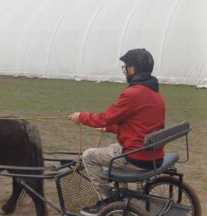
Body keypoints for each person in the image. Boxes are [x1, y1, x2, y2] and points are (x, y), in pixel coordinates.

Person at [68, 48, 165, 216]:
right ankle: (119, 194)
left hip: (138, 157)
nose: (125, 71)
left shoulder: (133, 93)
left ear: (133, 68)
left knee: (89, 156)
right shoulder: (154, 92)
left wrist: (81, 117)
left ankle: (107, 201)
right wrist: (110, 128)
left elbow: (106, 117)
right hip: (154, 154)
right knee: (113, 146)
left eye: (126, 67)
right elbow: (138, 126)